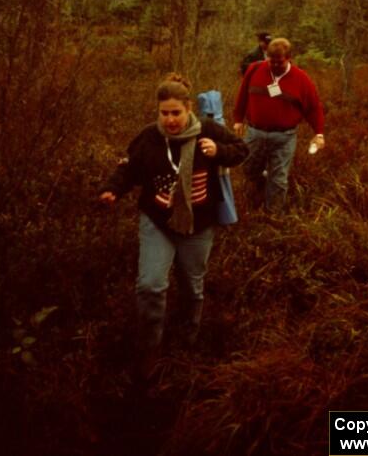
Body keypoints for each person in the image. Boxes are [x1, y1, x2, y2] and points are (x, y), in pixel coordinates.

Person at [99, 73, 248, 379]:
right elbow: (128, 169)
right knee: (151, 285)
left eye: (176, 113)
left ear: (188, 108)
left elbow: (241, 150)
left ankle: (187, 341)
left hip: (199, 223)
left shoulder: (207, 130)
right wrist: (113, 189)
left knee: (192, 286)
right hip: (158, 221)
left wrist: (218, 152)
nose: (170, 120)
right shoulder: (148, 138)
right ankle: (150, 347)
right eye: (164, 113)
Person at [233, 37, 325, 213]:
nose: (274, 65)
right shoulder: (254, 69)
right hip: (255, 132)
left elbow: (314, 108)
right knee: (249, 170)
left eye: (279, 61)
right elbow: (243, 95)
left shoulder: (301, 79)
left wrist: (319, 133)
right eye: (270, 60)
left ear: (289, 58)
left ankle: (272, 216)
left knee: (279, 179)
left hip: (284, 136)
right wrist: (238, 119)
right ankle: (261, 189)